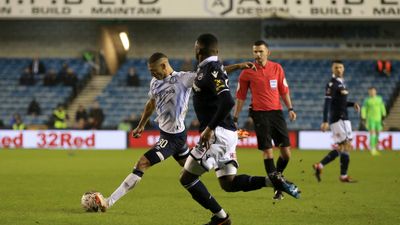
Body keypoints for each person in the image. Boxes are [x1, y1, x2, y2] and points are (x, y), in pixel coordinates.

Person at [93, 52, 268, 213]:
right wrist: (141, 124)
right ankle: (221, 202)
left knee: (142, 164)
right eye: (150, 72)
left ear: (164, 66)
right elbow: (151, 103)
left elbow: (211, 75)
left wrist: (237, 66)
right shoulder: (155, 82)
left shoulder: (183, 79)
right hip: (171, 136)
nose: (152, 75)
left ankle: (109, 202)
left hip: (173, 138)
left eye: (154, 71)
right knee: (189, 176)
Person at [179, 34, 300, 225]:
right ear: (216, 51)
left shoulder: (211, 67)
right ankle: (274, 182)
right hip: (226, 134)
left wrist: (209, 128)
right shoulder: (211, 68)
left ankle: (221, 219)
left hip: (216, 135)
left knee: (186, 179)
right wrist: (237, 66)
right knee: (228, 183)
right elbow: (218, 75)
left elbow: (228, 100)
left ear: (198, 50)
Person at [233, 40, 296, 200]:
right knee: (268, 151)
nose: (257, 54)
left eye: (261, 51)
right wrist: (235, 117)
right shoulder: (247, 72)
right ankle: (278, 187)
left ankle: (278, 178)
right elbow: (241, 97)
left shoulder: (277, 68)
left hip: (277, 113)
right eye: (255, 51)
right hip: (259, 114)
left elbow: (284, 90)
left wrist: (290, 108)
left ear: (268, 52)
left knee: (286, 154)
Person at [313, 60, 360, 183]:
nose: (338, 69)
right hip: (340, 118)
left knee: (342, 147)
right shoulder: (332, 84)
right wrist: (324, 121)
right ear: (332, 69)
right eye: (336, 68)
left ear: (343, 69)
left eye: (340, 67)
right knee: (347, 145)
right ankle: (343, 176)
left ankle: (321, 165)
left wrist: (352, 104)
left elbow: (341, 102)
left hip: (342, 117)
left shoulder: (341, 83)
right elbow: (327, 103)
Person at [361, 87, 387, 156]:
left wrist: (384, 115)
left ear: (375, 92)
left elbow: (382, 107)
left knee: (378, 133)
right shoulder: (367, 100)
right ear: (369, 92)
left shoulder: (379, 99)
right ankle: (372, 149)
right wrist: (363, 117)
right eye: (370, 91)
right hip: (370, 119)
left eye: (373, 91)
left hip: (378, 119)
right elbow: (364, 109)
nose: (372, 92)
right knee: (372, 132)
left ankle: (374, 147)